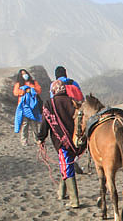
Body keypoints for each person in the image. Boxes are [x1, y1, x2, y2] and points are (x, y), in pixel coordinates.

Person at [36, 77, 83, 208]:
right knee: (67, 165)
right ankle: (61, 193)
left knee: (66, 166)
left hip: (61, 141)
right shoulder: (73, 102)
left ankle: (74, 200)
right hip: (75, 141)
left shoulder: (50, 104)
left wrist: (41, 138)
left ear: (54, 90)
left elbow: (45, 124)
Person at [13, 68, 41, 146]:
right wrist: (24, 91)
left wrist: (32, 90)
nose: (24, 75)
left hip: (33, 106)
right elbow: (15, 92)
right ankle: (24, 141)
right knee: (25, 124)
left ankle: (37, 140)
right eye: (22, 74)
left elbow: (39, 90)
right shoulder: (19, 84)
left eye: (25, 73)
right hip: (23, 106)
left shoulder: (33, 82)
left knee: (34, 124)